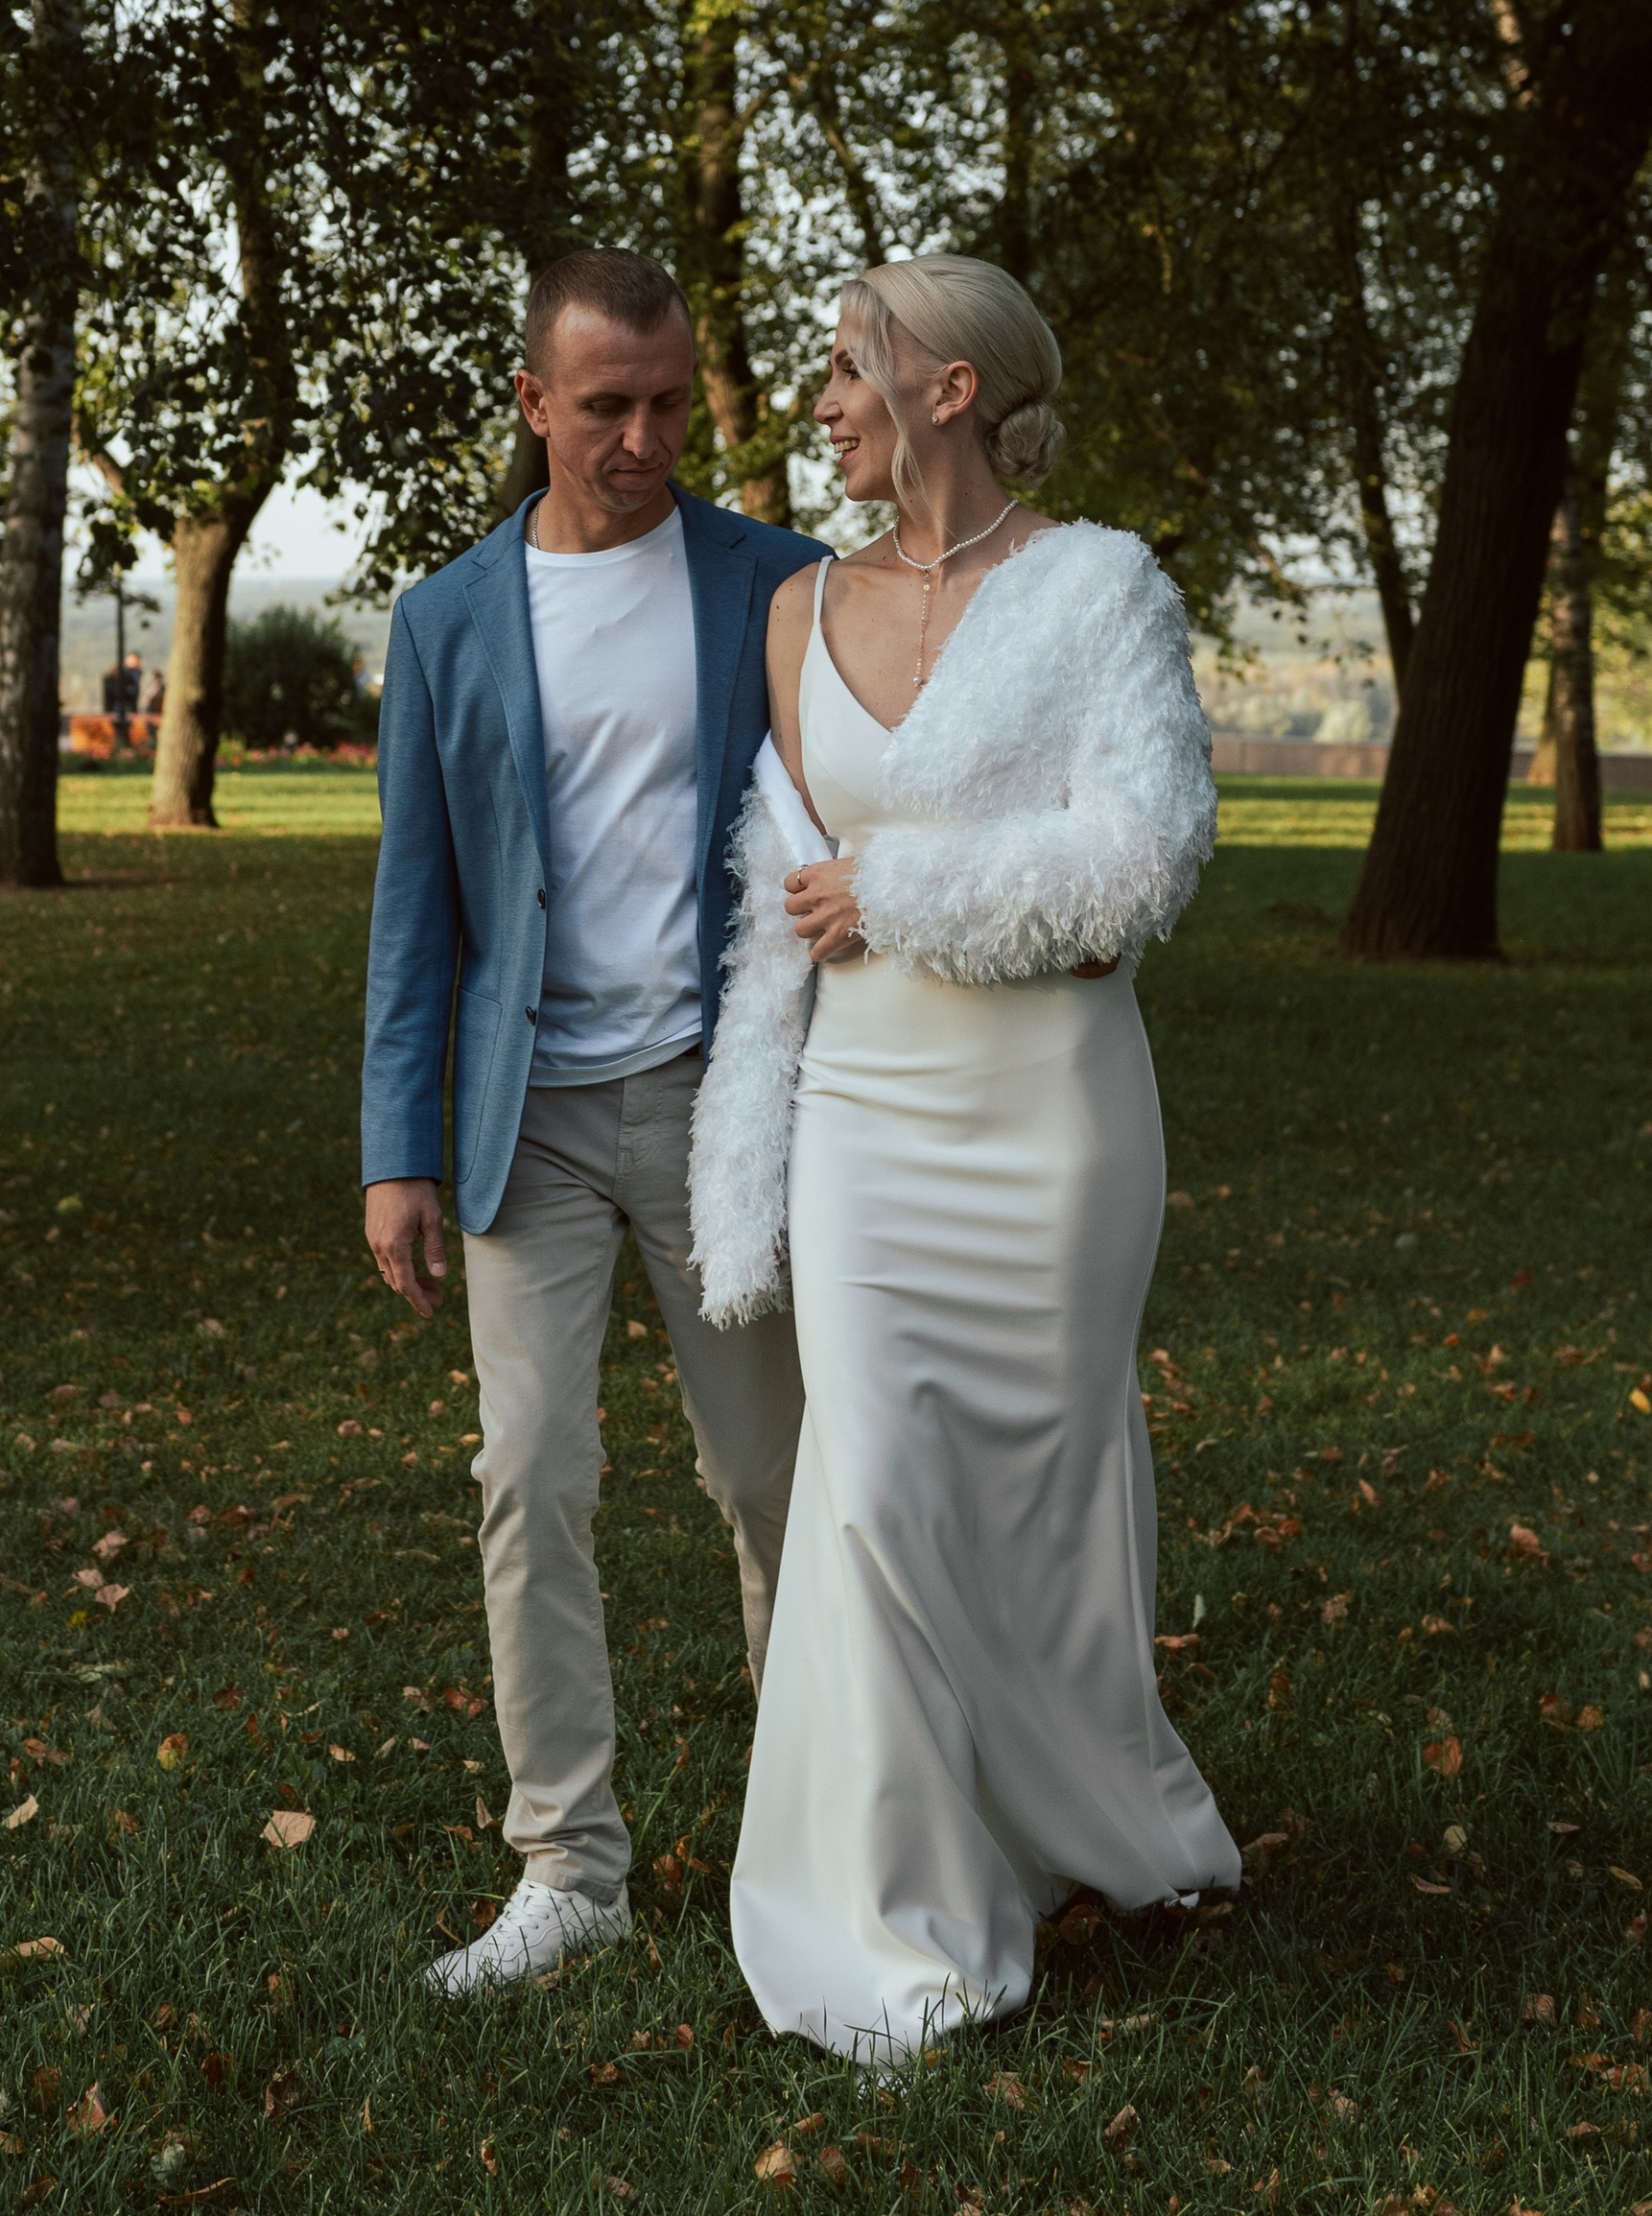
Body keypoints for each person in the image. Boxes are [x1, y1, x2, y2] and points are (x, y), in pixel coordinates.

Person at [690, 251, 1240, 2061]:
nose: (821, 401)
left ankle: (1092, 1818)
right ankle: (898, 1913)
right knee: (871, 1489)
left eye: (848, 367)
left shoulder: (1098, 593)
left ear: (946, 388)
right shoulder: (793, 610)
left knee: (1053, 1491)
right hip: (863, 1116)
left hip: (1055, 1121)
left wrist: (905, 891)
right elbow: (786, 903)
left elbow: (1131, 881)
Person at [362, 247, 821, 1992]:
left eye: (667, 403)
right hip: (525, 1123)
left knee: (775, 1481)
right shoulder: (448, 619)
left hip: (730, 1104)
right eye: (605, 405)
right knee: (527, 1479)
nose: (641, 438)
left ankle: (819, 1834)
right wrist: (395, 1148)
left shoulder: (777, 585)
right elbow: (422, 908)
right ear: (535, 402)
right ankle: (569, 1872)